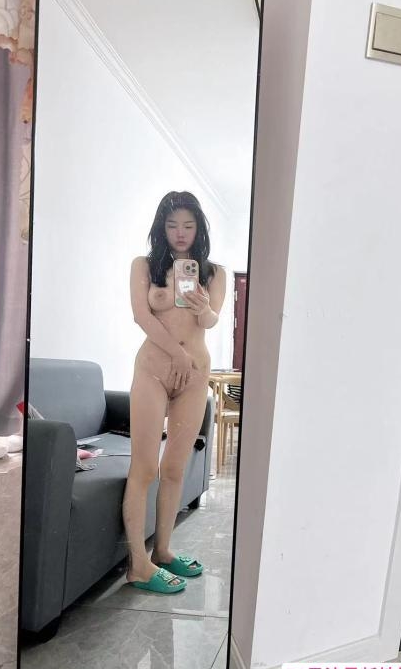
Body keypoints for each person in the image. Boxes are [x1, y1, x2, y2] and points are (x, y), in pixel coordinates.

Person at [122, 191, 226, 593]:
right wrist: (176, 354)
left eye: (188, 225)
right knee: (145, 466)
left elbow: (212, 320)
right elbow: (141, 315)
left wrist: (202, 307)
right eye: (171, 225)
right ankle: (138, 565)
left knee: (175, 468)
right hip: (153, 370)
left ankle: (163, 551)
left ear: (199, 228)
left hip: (194, 376)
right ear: (160, 228)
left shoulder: (214, 273)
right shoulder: (144, 266)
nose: (180, 233)